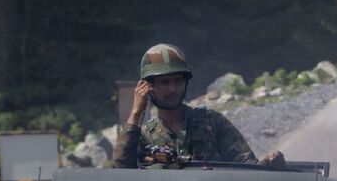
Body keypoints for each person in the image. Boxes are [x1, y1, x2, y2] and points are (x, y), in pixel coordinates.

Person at [113, 44, 283, 169]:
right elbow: (120, 176)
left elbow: (247, 166)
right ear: (149, 87)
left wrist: (268, 164)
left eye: (177, 81)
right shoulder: (142, 137)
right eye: (165, 82)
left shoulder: (212, 123)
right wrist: (136, 113)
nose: (172, 89)